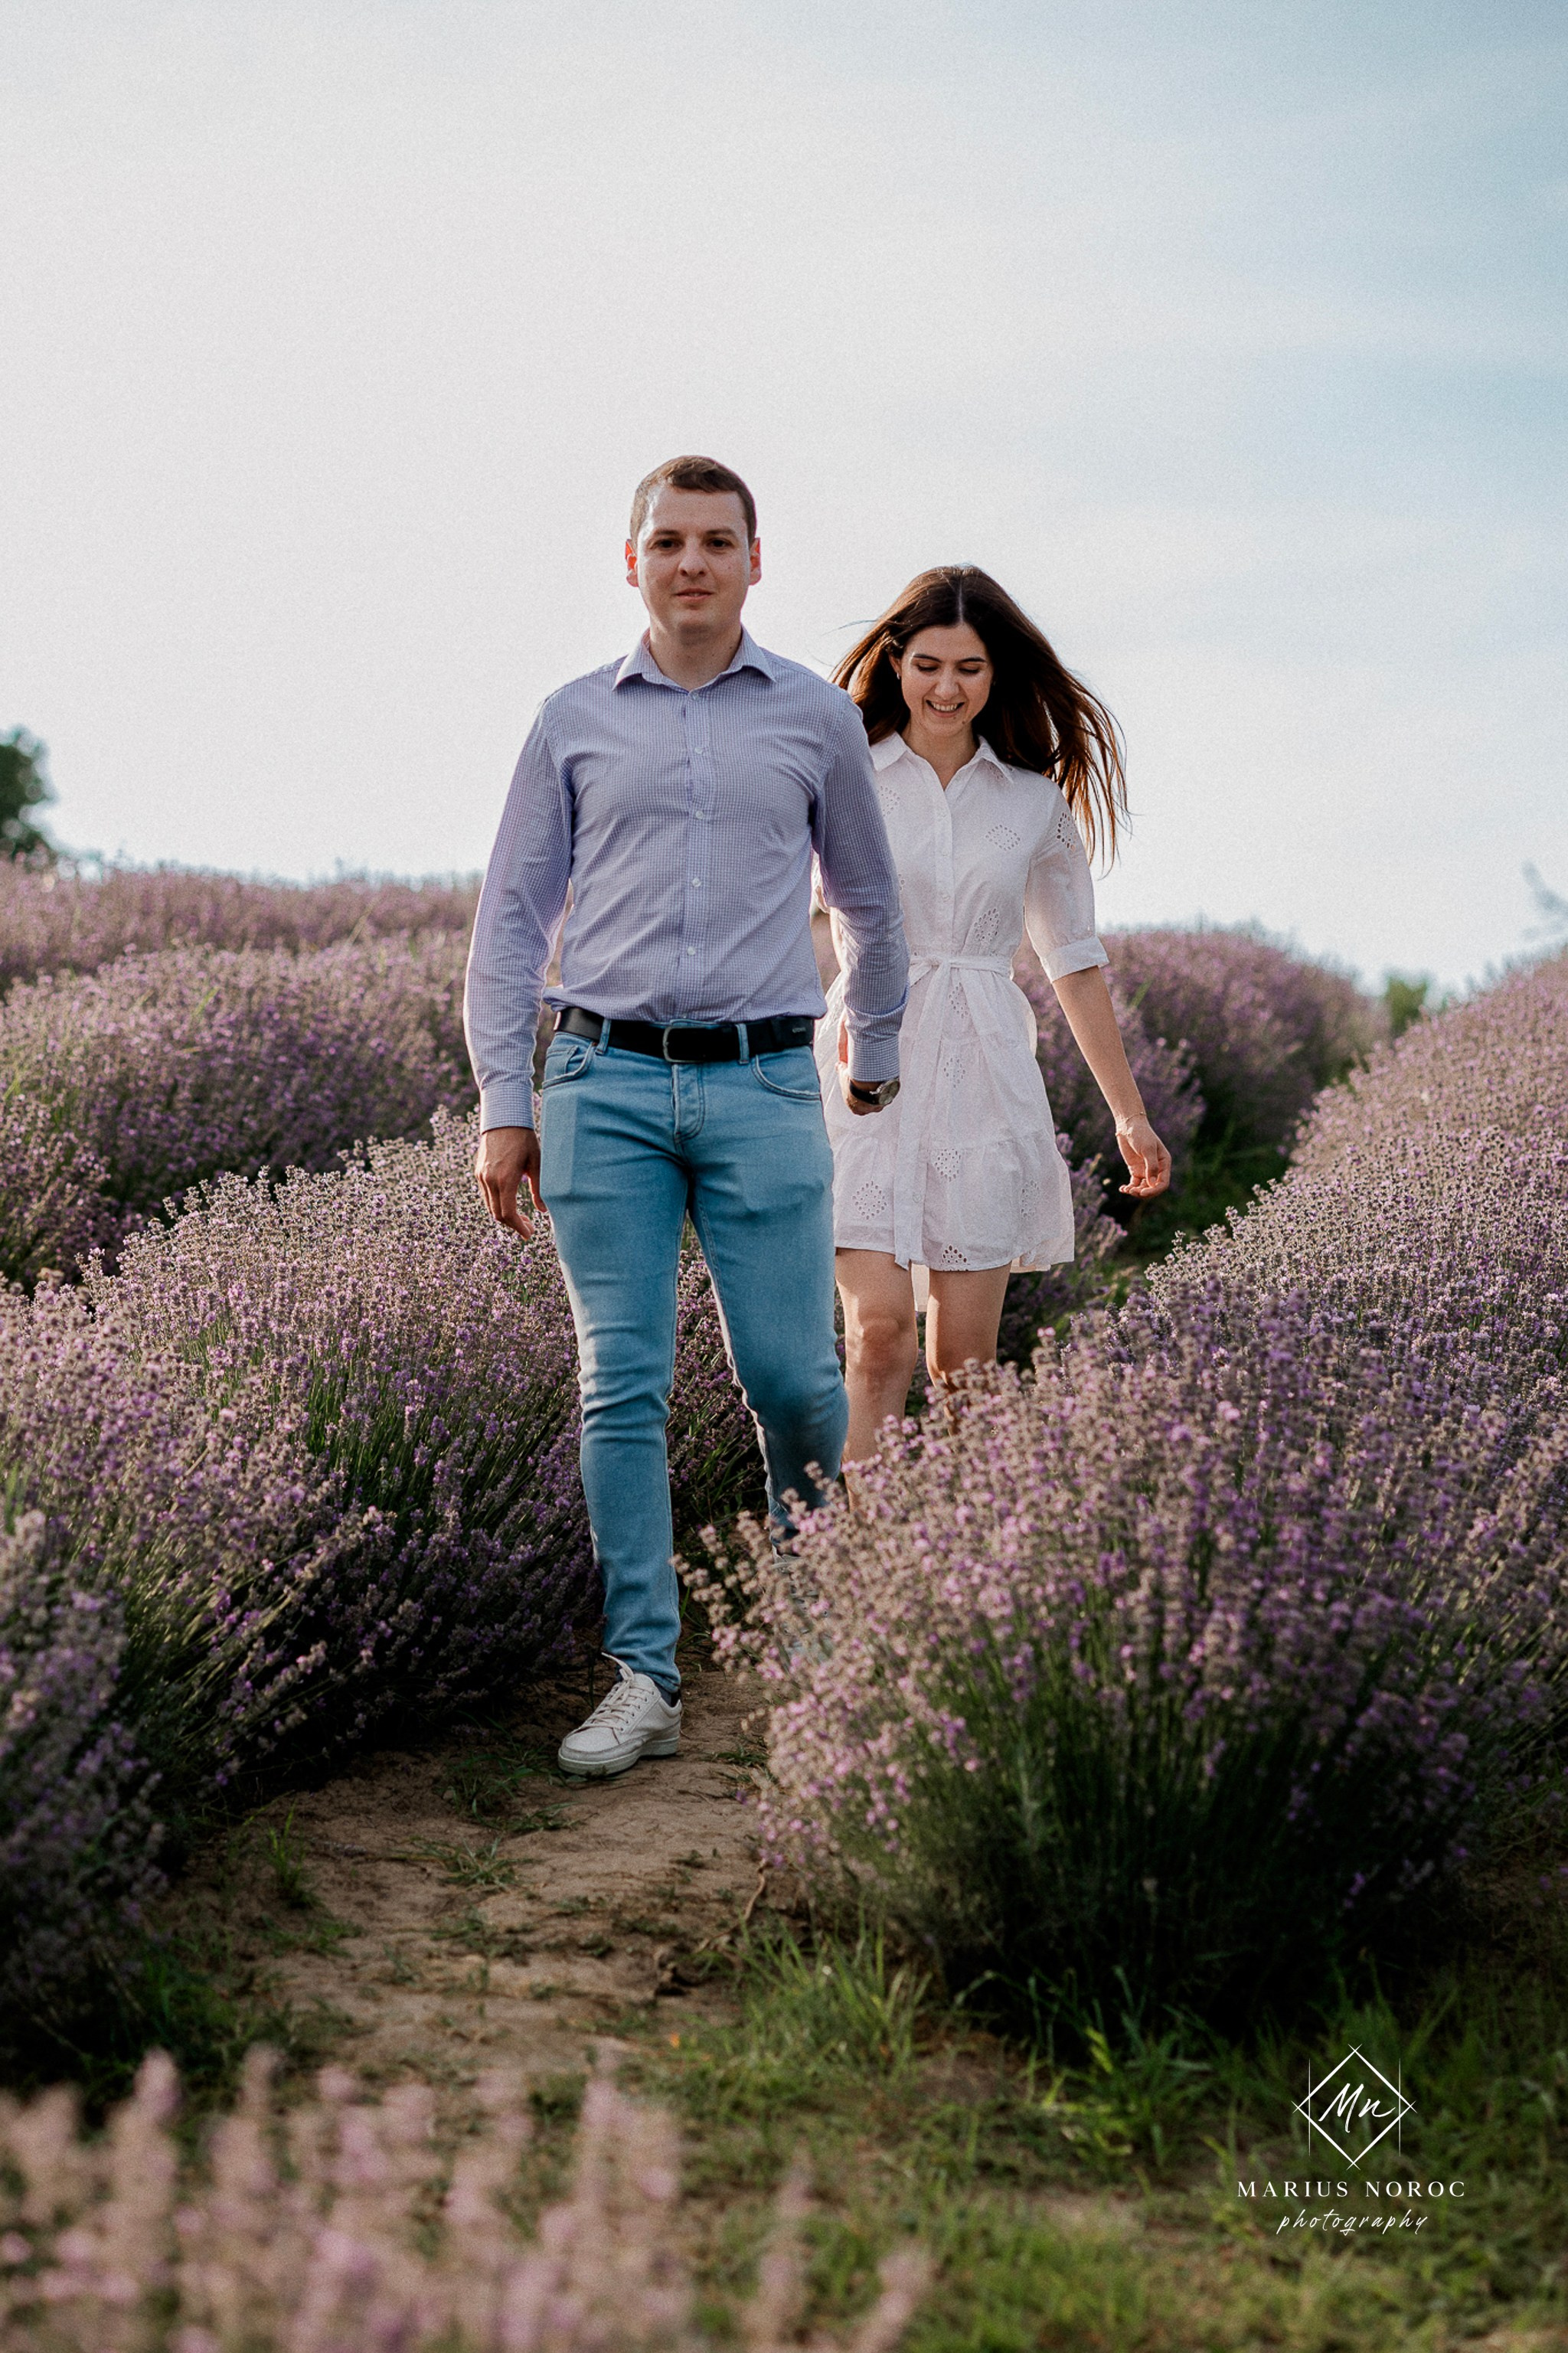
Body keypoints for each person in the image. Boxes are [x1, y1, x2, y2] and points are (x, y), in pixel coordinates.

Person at [464, 456, 908, 1779]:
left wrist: (873, 1050)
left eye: (717, 541)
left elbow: (871, 905)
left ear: (755, 562)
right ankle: (645, 1676)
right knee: (621, 1382)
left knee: (795, 1380)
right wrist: (503, 1103)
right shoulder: (569, 721)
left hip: (763, 1082)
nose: (693, 562)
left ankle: (811, 1636)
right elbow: (509, 924)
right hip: (598, 1083)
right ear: (632, 562)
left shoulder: (815, 717)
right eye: (668, 541)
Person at [818, 565, 1171, 1465]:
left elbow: (1073, 961)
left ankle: (954, 1544)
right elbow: (798, 918)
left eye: (968, 668)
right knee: (878, 1338)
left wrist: (1128, 1113)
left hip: (982, 1073)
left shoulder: (1031, 803)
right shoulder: (844, 773)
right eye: (928, 665)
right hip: (862, 1067)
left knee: (964, 1371)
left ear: (995, 673)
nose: (946, 687)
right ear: (895, 663)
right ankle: (862, 1544)